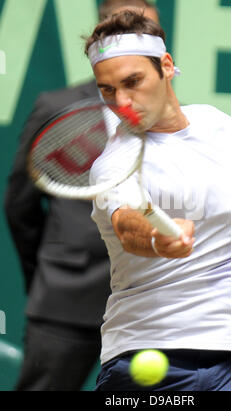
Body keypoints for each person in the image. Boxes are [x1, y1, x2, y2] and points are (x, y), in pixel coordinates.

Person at [85, 10, 231, 391]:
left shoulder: (220, 126)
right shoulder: (114, 163)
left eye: (132, 82)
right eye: (107, 90)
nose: (121, 101)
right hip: (143, 359)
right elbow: (127, 226)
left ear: (166, 66)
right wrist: (157, 240)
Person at [4, 0, 159, 392]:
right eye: (125, 30)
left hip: (149, 306)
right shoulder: (57, 107)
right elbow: (20, 205)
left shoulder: (175, 119)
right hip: (65, 300)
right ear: (102, 33)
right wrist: (49, 269)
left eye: (147, 32)